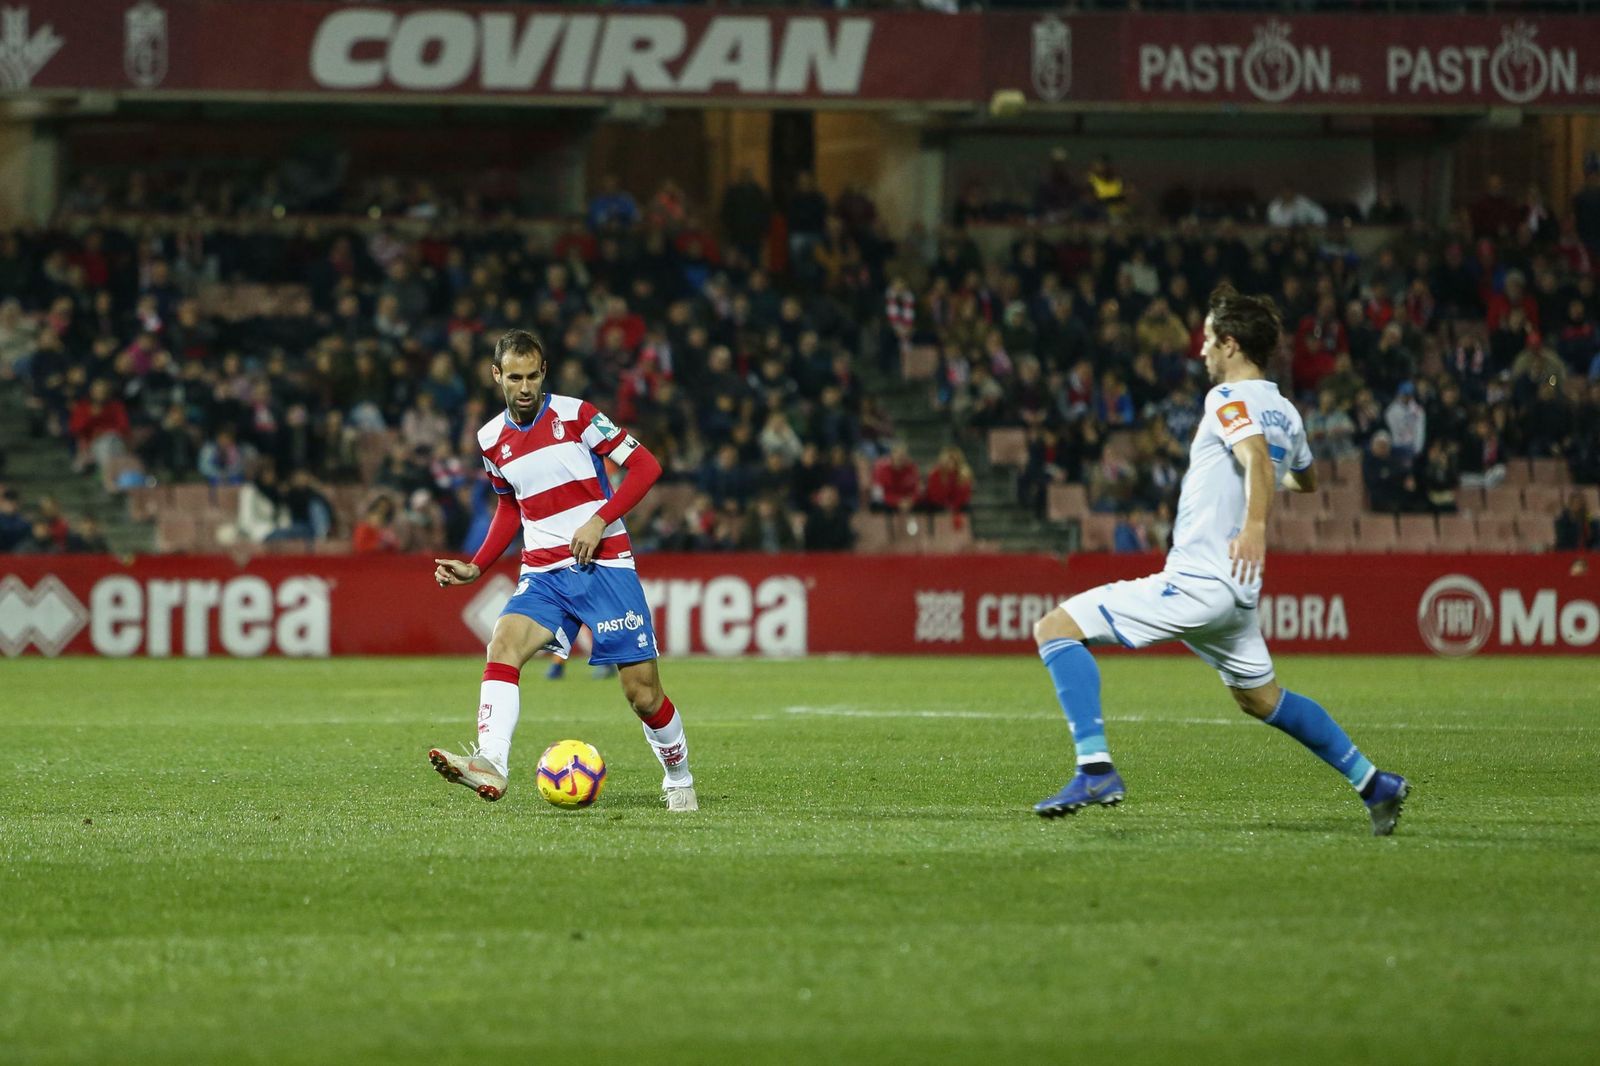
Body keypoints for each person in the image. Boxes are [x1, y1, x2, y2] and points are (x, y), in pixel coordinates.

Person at [1029, 286, 1409, 835]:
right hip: (1237, 595)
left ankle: (1094, 769)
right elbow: (1306, 475)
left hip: (1200, 579)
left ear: (1230, 344)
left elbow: (1254, 455)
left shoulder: (1225, 399)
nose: (1201, 350)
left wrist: (1253, 523)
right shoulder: (1286, 412)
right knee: (1261, 699)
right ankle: (1375, 785)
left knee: (1056, 629)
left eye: (1207, 339)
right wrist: (1269, 484)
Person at [428, 329, 697, 811]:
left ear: (543, 372)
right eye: (514, 377)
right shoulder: (490, 439)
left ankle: (678, 774)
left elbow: (646, 468)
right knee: (503, 641)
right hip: (543, 570)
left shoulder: (578, 415)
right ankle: (491, 762)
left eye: (533, 376)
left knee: (643, 696)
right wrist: (476, 566)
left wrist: (599, 520)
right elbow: (509, 507)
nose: (525, 386)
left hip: (604, 563)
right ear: (497, 376)